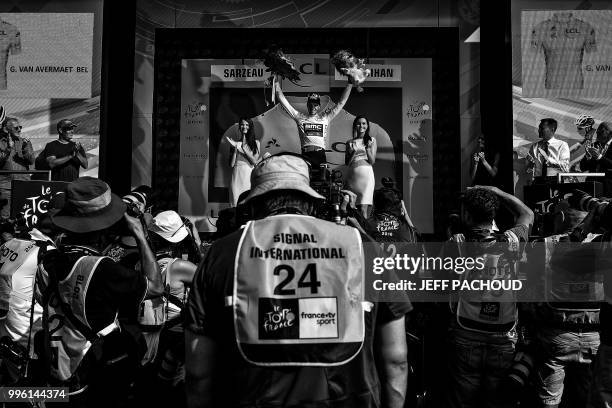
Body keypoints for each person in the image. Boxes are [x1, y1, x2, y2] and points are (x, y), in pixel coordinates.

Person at [185, 153, 411, 408]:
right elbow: (396, 361)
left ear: (255, 204)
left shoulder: (222, 253)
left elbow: (198, 373)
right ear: (312, 203)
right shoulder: (361, 246)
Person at [35, 177, 163, 405]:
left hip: (55, 374)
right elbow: (155, 287)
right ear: (103, 224)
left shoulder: (48, 260)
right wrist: (140, 234)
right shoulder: (101, 268)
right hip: (92, 375)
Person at [445, 186, 533, 408]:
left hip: (466, 332)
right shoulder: (512, 241)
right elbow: (527, 214)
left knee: (463, 401)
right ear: (493, 214)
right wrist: (495, 191)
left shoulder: (457, 243)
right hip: (503, 335)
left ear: (466, 215)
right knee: (495, 402)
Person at [525, 201, 602, 408]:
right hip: (595, 338)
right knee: (588, 398)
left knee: (549, 402)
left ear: (559, 218)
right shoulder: (603, 244)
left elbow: (527, 292)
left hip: (555, 337)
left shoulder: (545, 245)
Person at [274, 75, 354, 167]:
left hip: (320, 155)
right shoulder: (299, 116)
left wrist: (350, 84)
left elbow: (341, 103)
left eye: (315, 104)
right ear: (307, 105)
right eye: (311, 104)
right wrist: (276, 82)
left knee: (323, 179)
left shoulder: (325, 118)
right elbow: (282, 100)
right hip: (306, 156)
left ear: (319, 106)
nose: (313, 107)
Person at [0, 116, 35, 218]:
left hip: (22, 183)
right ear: (7, 129)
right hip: (6, 185)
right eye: (16, 128)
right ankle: (5, 232)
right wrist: (8, 149)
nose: (19, 130)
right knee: (5, 215)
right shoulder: (0, 142)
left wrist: (25, 148)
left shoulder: (25, 142)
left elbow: (31, 160)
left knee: (22, 215)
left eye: (20, 127)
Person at [345, 115, 377, 218]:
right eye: (358, 123)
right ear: (355, 126)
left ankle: (365, 233)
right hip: (352, 177)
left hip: (366, 176)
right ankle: (356, 232)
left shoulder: (372, 140)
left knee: (363, 208)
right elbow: (347, 163)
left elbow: (372, 161)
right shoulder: (349, 142)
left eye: (364, 123)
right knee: (352, 207)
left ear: (367, 126)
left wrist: (367, 149)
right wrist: (353, 153)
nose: (361, 125)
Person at [226, 118, 260, 207]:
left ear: (250, 127)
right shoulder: (235, 143)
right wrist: (235, 148)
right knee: (235, 201)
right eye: (242, 124)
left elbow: (254, 162)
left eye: (247, 125)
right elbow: (231, 164)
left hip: (248, 175)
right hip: (237, 175)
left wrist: (243, 148)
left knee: (248, 202)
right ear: (239, 127)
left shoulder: (256, 143)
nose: (244, 126)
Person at [580, 122, 612, 194]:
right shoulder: (594, 145)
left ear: (610, 133)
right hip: (590, 186)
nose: (597, 133)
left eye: (601, 131)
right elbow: (582, 167)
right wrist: (588, 158)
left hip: (608, 189)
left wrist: (599, 157)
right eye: (598, 131)